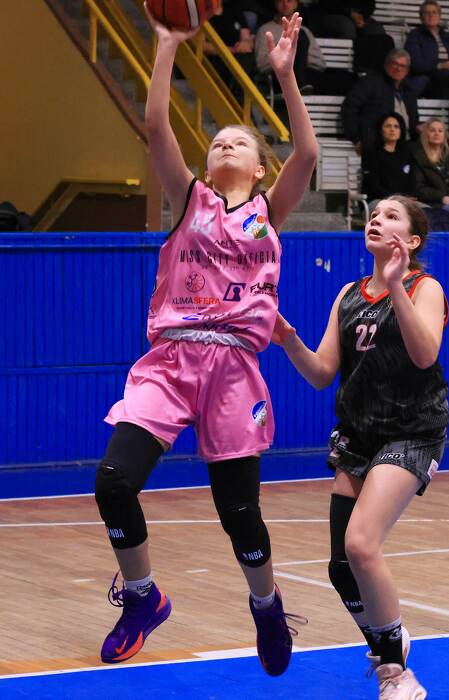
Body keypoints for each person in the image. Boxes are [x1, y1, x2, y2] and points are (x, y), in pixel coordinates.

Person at [94, 6, 316, 673]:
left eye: (237, 142)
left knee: (238, 513)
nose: (223, 147)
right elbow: (156, 124)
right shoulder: (187, 199)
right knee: (112, 482)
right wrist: (166, 44)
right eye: (216, 141)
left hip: (233, 368)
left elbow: (307, 154)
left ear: (259, 166)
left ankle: (266, 604)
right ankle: (142, 597)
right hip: (169, 359)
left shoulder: (268, 212)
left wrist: (285, 76)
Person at [272, 195, 449, 699]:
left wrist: (394, 286)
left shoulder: (424, 287)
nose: (377, 218)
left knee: (361, 544)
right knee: (340, 568)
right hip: (358, 434)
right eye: (374, 213)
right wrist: (289, 340)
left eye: (391, 216)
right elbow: (321, 373)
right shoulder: (348, 294)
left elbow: (424, 355)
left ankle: (398, 675)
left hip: (412, 430)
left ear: (411, 241)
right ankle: (390, 638)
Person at [255, 0, 345, 95]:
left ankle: (300, 82)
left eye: (289, 0)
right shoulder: (266, 30)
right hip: (280, 76)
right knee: (298, 35)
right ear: (276, 3)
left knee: (346, 79)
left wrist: (300, 59)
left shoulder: (305, 30)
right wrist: (284, 56)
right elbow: (262, 65)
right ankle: (300, 84)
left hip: (307, 75)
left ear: (295, 4)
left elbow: (320, 63)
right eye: (281, 0)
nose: (285, 4)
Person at [342, 49, 419, 153]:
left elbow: (413, 120)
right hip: (377, 143)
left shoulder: (409, 90)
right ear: (386, 65)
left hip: (406, 143)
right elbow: (349, 108)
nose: (398, 68)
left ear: (407, 70)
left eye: (403, 66)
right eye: (395, 64)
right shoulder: (369, 83)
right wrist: (356, 138)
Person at [404, 0, 449, 98]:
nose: (431, 15)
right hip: (430, 77)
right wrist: (439, 65)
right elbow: (416, 64)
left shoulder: (448, 36)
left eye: (434, 12)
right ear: (421, 17)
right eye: (427, 13)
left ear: (439, 16)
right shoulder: (415, 35)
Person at [362, 112, 416, 210]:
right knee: (399, 212)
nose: (392, 129)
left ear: (401, 131)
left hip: (403, 201)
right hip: (378, 200)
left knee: (427, 212)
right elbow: (373, 186)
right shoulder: (371, 153)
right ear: (380, 130)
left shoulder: (407, 153)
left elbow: (411, 182)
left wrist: (405, 198)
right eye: (388, 126)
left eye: (396, 126)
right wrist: (396, 199)